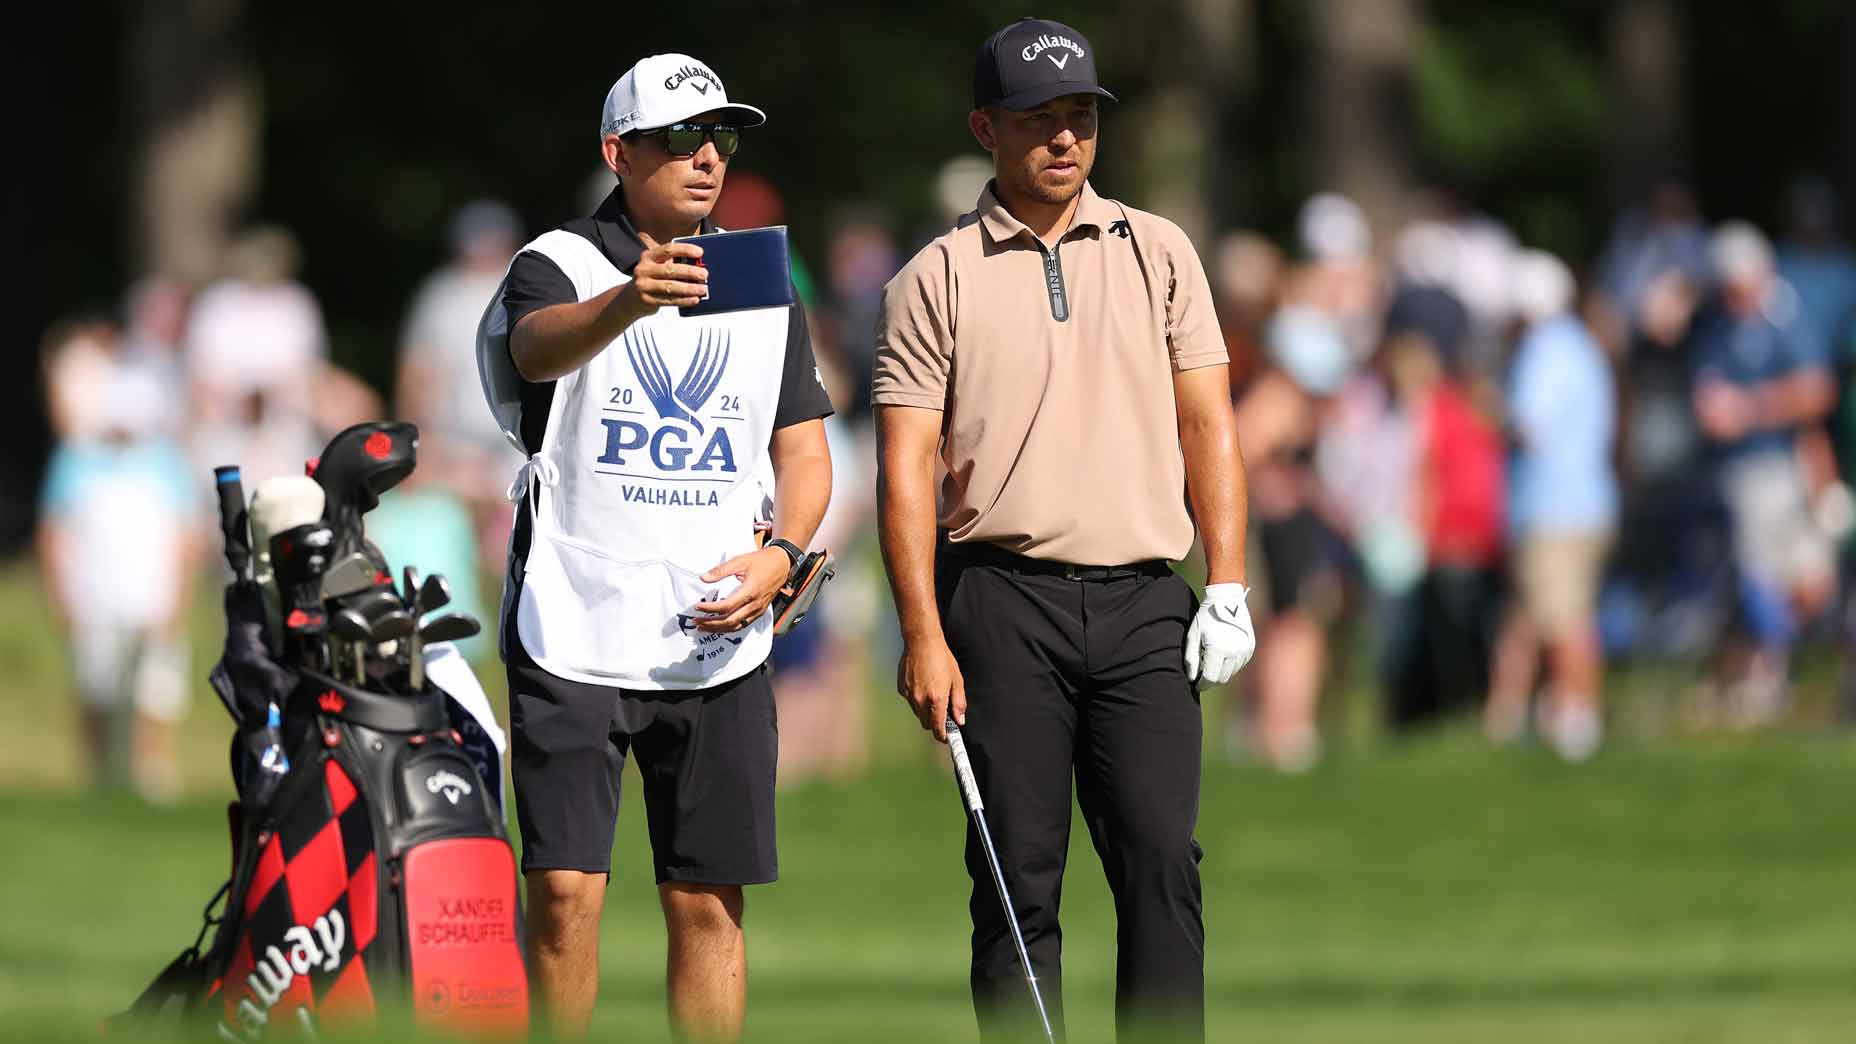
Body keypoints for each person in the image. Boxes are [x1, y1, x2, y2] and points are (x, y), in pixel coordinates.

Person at [872, 19, 1255, 1041]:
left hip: (1141, 602)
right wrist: (922, 632)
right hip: (1000, 602)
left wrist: (1226, 583)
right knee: (1014, 880)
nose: (1062, 140)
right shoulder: (934, 276)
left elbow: (1206, 421)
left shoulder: (1158, 250)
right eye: (1037, 120)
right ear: (984, 128)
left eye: (1079, 117)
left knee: (1162, 863)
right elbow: (904, 463)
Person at [477, 53, 833, 1041]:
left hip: (715, 631)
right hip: (575, 616)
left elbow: (803, 451)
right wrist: (629, 300)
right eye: (679, 137)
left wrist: (783, 556)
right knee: (562, 898)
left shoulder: (761, 275)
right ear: (617, 151)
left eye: (720, 136)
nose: (707, 156)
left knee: (707, 907)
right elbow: (534, 347)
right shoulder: (560, 261)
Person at [38, 317, 201, 801]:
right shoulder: (76, 457)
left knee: (158, 689)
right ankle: (97, 776)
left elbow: (186, 536)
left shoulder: (165, 461)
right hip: (94, 591)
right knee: (96, 686)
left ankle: (152, 774)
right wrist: (59, 594)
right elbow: (54, 530)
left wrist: (180, 597)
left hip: (151, 592)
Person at [1691, 221, 1836, 724]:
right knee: (1759, 579)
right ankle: (1765, 674)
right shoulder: (1715, 325)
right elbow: (1708, 404)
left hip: (1790, 465)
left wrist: (1752, 408)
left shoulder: (1787, 317)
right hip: (1744, 474)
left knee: (1812, 580)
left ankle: (1763, 663)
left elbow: (1817, 390)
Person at [1486, 251, 1618, 760]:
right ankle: (1533, 713)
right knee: (1546, 615)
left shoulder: (1544, 349)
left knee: (1564, 618)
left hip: (1554, 506)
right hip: (1587, 501)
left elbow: (1529, 423)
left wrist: (1490, 409)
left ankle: (1576, 718)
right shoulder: (1584, 346)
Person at [397, 200, 528, 586]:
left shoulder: (524, 286)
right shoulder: (442, 295)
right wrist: (416, 438)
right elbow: (419, 369)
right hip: (457, 435)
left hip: (516, 435)